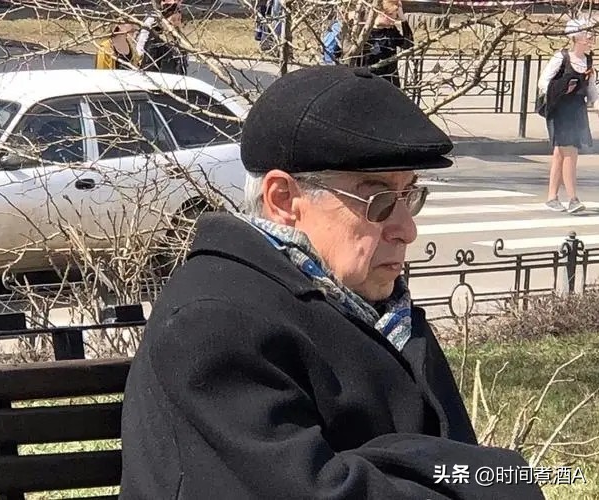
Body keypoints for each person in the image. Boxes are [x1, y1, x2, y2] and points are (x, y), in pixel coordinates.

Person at [119, 65, 545, 499]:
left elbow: (458, 461)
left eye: (409, 195)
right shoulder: (212, 323)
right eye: (379, 200)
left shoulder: (369, 303)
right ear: (284, 199)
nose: (406, 229)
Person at [538, 18, 599, 214]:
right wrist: (561, 90)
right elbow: (543, 82)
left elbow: (591, 88)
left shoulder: (588, 61)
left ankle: (552, 198)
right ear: (576, 37)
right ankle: (573, 199)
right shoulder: (562, 57)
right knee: (570, 153)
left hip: (577, 110)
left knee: (560, 154)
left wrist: (597, 104)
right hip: (560, 110)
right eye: (587, 33)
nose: (591, 37)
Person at [358, 0, 413, 88]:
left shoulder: (390, 32)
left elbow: (409, 45)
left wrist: (403, 19)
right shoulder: (364, 33)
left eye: (395, 17)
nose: (393, 21)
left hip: (390, 82)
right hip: (369, 81)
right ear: (382, 13)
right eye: (391, 16)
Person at [136, 0, 188, 75]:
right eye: (173, 20)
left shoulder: (179, 39)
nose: (176, 23)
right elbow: (148, 63)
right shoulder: (156, 41)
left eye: (179, 19)